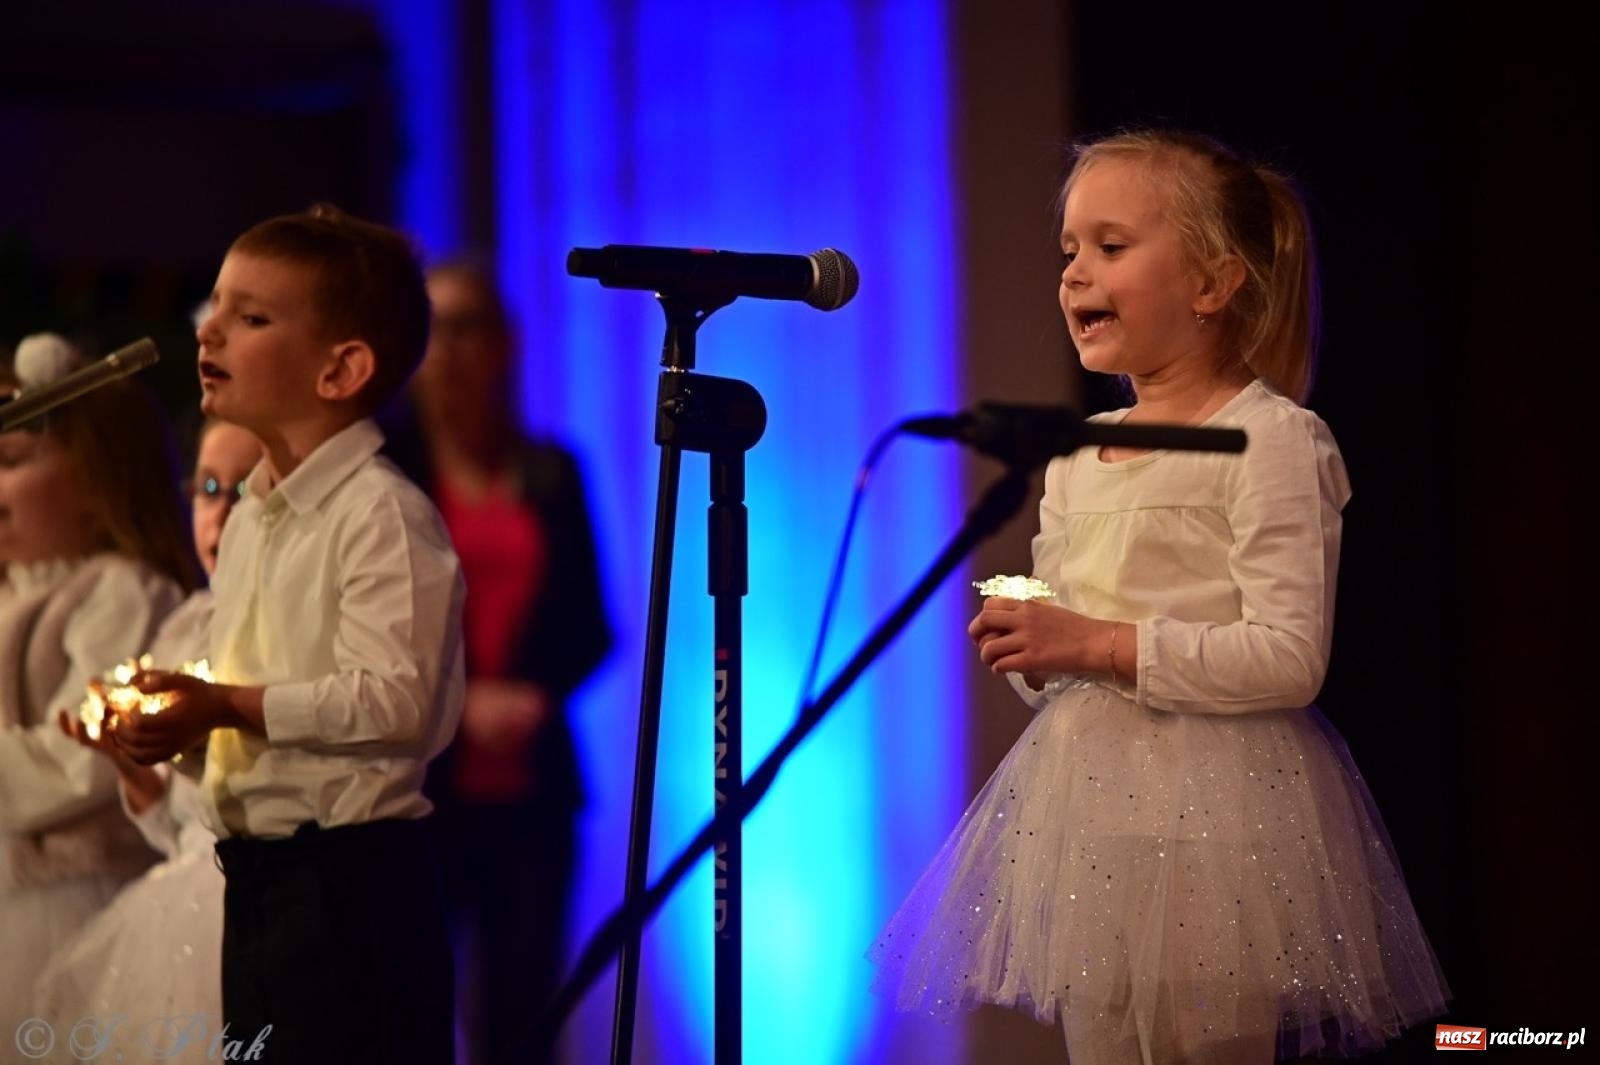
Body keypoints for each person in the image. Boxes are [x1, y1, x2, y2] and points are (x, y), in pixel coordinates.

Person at [867, 130, 1450, 1063]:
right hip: (1093, 820)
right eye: (1068, 251)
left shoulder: (1272, 439)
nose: (1074, 274)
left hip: (1224, 824)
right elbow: (1061, 662)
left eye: (1110, 247)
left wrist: (1094, 641)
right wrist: (1033, 645)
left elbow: (1289, 655)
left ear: (1212, 285)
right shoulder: (1075, 450)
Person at [112, 204, 466, 1065]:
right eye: (216, 306)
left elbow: (398, 702)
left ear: (341, 368)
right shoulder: (253, 519)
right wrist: (181, 733)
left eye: (251, 316)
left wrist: (225, 703)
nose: (211, 329)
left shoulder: (382, 514)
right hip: (260, 890)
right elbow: (252, 705)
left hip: (351, 895)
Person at [383, 259, 611, 1065]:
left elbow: (592, 621)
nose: (450, 347)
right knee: (410, 1008)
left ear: (505, 343)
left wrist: (534, 695)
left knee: (524, 1015)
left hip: (532, 782)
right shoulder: (389, 474)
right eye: (433, 327)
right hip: (419, 783)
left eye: (468, 324)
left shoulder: (553, 470)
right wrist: (458, 701)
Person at [37, 417, 262, 1060]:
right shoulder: (184, 626)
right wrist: (135, 773)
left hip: (251, 901)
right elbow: (174, 822)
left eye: (246, 491)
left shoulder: (277, 630)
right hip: (177, 902)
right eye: (209, 488)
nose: (221, 510)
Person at [0, 332, 196, 1030]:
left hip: (71, 894)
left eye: (15, 462)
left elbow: (87, 752)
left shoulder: (121, 593)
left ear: (96, 480)